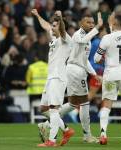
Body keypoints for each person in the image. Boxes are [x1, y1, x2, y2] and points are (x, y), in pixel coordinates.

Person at [57, 12, 103, 143]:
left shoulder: (87, 40)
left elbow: (85, 60)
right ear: (81, 24)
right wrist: (97, 28)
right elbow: (83, 41)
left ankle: (51, 119)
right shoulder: (78, 35)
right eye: (88, 22)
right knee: (85, 103)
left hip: (76, 70)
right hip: (75, 71)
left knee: (73, 103)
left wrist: (94, 74)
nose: (91, 25)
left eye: (93, 23)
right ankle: (87, 136)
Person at [31, 9, 74, 147]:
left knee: (54, 109)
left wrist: (60, 18)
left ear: (61, 27)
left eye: (55, 26)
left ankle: (52, 141)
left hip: (58, 77)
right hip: (51, 78)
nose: (52, 27)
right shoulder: (55, 37)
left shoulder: (66, 39)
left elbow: (60, 28)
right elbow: (46, 26)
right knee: (43, 109)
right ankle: (66, 130)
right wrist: (37, 15)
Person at [94, 12, 121, 145]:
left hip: (110, 74)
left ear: (115, 22)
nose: (108, 20)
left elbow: (96, 58)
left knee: (106, 104)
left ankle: (103, 135)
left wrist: (104, 59)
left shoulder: (107, 38)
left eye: (111, 18)